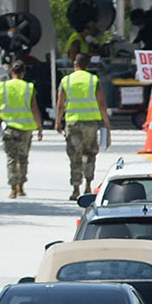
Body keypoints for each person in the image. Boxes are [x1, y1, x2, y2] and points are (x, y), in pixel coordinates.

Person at [58, 53, 107, 197]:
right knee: (90, 154)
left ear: (75, 64)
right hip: (90, 123)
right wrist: (106, 122)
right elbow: (102, 102)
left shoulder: (66, 80)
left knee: (75, 155)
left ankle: (75, 189)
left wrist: (57, 122)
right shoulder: (93, 80)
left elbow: (60, 104)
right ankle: (88, 185)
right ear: (88, 65)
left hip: (72, 123)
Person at [0, 60, 40, 201]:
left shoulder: (3, 87)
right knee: (23, 158)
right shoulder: (28, 87)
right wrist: (39, 126)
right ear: (23, 73)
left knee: (11, 159)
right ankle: (21, 186)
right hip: (26, 129)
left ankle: (12, 188)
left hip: (9, 127)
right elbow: (34, 108)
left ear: (11, 72)